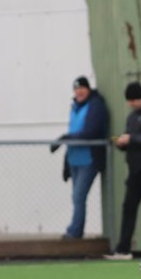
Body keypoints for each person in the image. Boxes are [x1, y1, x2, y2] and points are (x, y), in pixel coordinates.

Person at [104, 82, 141, 260]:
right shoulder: (132, 117)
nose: (130, 104)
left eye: (132, 100)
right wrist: (122, 143)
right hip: (135, 171)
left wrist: (133, 138)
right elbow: (132, 141)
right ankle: (123, 249)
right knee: (128, 208)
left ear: (140, 98)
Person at [51, 76, 110, 239]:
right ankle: (75, 229)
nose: (79, 92)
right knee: (76, 196)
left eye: (82, 88)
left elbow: (90, 132)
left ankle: (75, 231)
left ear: (88, 89)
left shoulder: (95, 105)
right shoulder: (75, 107)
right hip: (74, 159)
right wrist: (66, 163)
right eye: (76, 89)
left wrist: (64, 138)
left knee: (79, 196)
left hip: (88, 159)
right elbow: (72, 134)